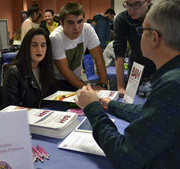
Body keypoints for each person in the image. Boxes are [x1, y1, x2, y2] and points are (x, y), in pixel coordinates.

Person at [74, 0, 180, 168]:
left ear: (154, 38)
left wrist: (92, 108)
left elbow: (123, 154)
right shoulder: (172, 76)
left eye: (141, 31)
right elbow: (150, 113)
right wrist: (112, 105)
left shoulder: (172, 84)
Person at [50, 2, 108, 91]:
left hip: (77, 78)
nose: (76, 27)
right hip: (58, 82)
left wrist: (103, 86)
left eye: (80, 21)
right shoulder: (55, 38)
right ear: (61, 23)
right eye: (70, 23)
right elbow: (64, 70)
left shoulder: (87, 29)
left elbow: (98, 57)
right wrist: (89, 89)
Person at [3, 28, 56, 108]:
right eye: (34, 45)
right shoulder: (14, 72)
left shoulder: (46, 69)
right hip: (24, 118)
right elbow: (11, 108)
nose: (39, 50)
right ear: (27, 47)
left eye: (43, 45)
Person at [114, 0, 156, 97]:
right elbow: (119, 53)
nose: (132, 9)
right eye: (128, 4)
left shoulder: (158, 16)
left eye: (137, 4)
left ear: (148, 2)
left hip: (158, 66)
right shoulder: (122, 19)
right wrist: (120, 87)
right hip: (136, 67)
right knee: (131, 99)